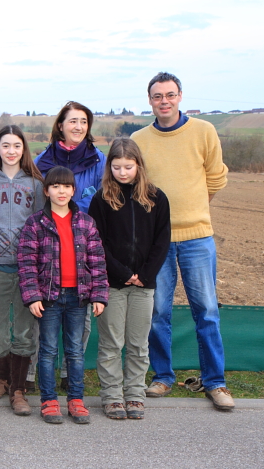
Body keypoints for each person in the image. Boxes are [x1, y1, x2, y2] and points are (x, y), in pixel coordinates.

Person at [131, 72, 234, 411]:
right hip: (156, 242)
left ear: (180, 97)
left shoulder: (204, 131)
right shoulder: (140, 139)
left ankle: (215, 383)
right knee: (157, 311)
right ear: (149, 101)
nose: (164, 101)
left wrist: (195, 207)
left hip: (197, 237)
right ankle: (162, 376)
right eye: (158, 96)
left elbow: (217, 176)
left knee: (206, 311)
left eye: (170, 95)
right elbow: (136, 185)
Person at [88, 138, 171, 420]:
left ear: (138, 165)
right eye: (117, 167)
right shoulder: (102, 199)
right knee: (111, 343)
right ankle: (112, 395)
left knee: (138, 344)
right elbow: (96, 243)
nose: (123, 173)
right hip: (113, 283)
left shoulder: (157, 198)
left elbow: (162, 240)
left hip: (144, 285)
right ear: (109, 167)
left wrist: (145, 275)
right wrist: (124, 273)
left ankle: (134, 394)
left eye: (128, 167)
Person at [18, 166, 108, 425]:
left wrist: (99, 295)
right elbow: (26, 262)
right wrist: (33, 296)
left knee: (75, 352)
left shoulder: (86, 222)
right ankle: (49, 400)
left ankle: (76, 400)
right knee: (47, 351)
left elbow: (98, 261)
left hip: (78, 297)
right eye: (55, 186)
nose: (61, 191)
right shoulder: (36, 223)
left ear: (73, 190)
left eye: (66, 186)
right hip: (49, 298)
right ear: (46, 191)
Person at [31, 101, 105, 392]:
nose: (78, 127)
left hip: (84, 247)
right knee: (46, 325)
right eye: (72, 121)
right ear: (60, 125)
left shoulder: (98, 160)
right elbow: (37, 207)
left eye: (83, 122)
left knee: (80, 321)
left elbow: (105, 202)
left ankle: (69, 375)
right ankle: (41, 376)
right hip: (50, 248)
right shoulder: (41, 162)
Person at [0, 125, 44, 416]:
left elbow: (42, 224)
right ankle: (3, 378)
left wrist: (40, 263)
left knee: (25, 332)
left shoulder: (35, 184)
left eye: (17, 145)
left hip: (28, 267)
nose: (11, 151)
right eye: (6, 145)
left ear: (23, 149)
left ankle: (19, 389)